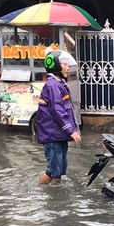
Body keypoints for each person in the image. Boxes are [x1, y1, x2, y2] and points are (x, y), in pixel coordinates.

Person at [36, 50, 82, 184]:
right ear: (56, 66)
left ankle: (55, 197)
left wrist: (73, 130)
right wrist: (71, 131)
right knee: (53, 170)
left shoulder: (59, 83)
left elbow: (67, 110)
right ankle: (40, 193)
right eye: (65, 65)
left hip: (58, 134)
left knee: (60, 171)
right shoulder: (53, 85)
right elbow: (58, 110)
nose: (68, 68)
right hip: (52, 135)